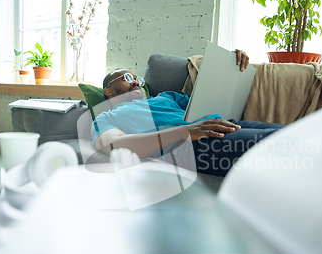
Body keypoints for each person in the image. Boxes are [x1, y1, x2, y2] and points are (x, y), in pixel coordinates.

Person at [91, 50, 285, 177]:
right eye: (126, 78)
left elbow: (209, 102)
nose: (135, 82)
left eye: (136, 79)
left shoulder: (166, 97)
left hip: (221, 123)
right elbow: (115, 146)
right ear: (108, 90)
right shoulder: (106, 118)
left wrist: (231, 65)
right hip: (188, 146)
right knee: (281, 144)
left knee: (295, 133)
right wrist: (184, 132)